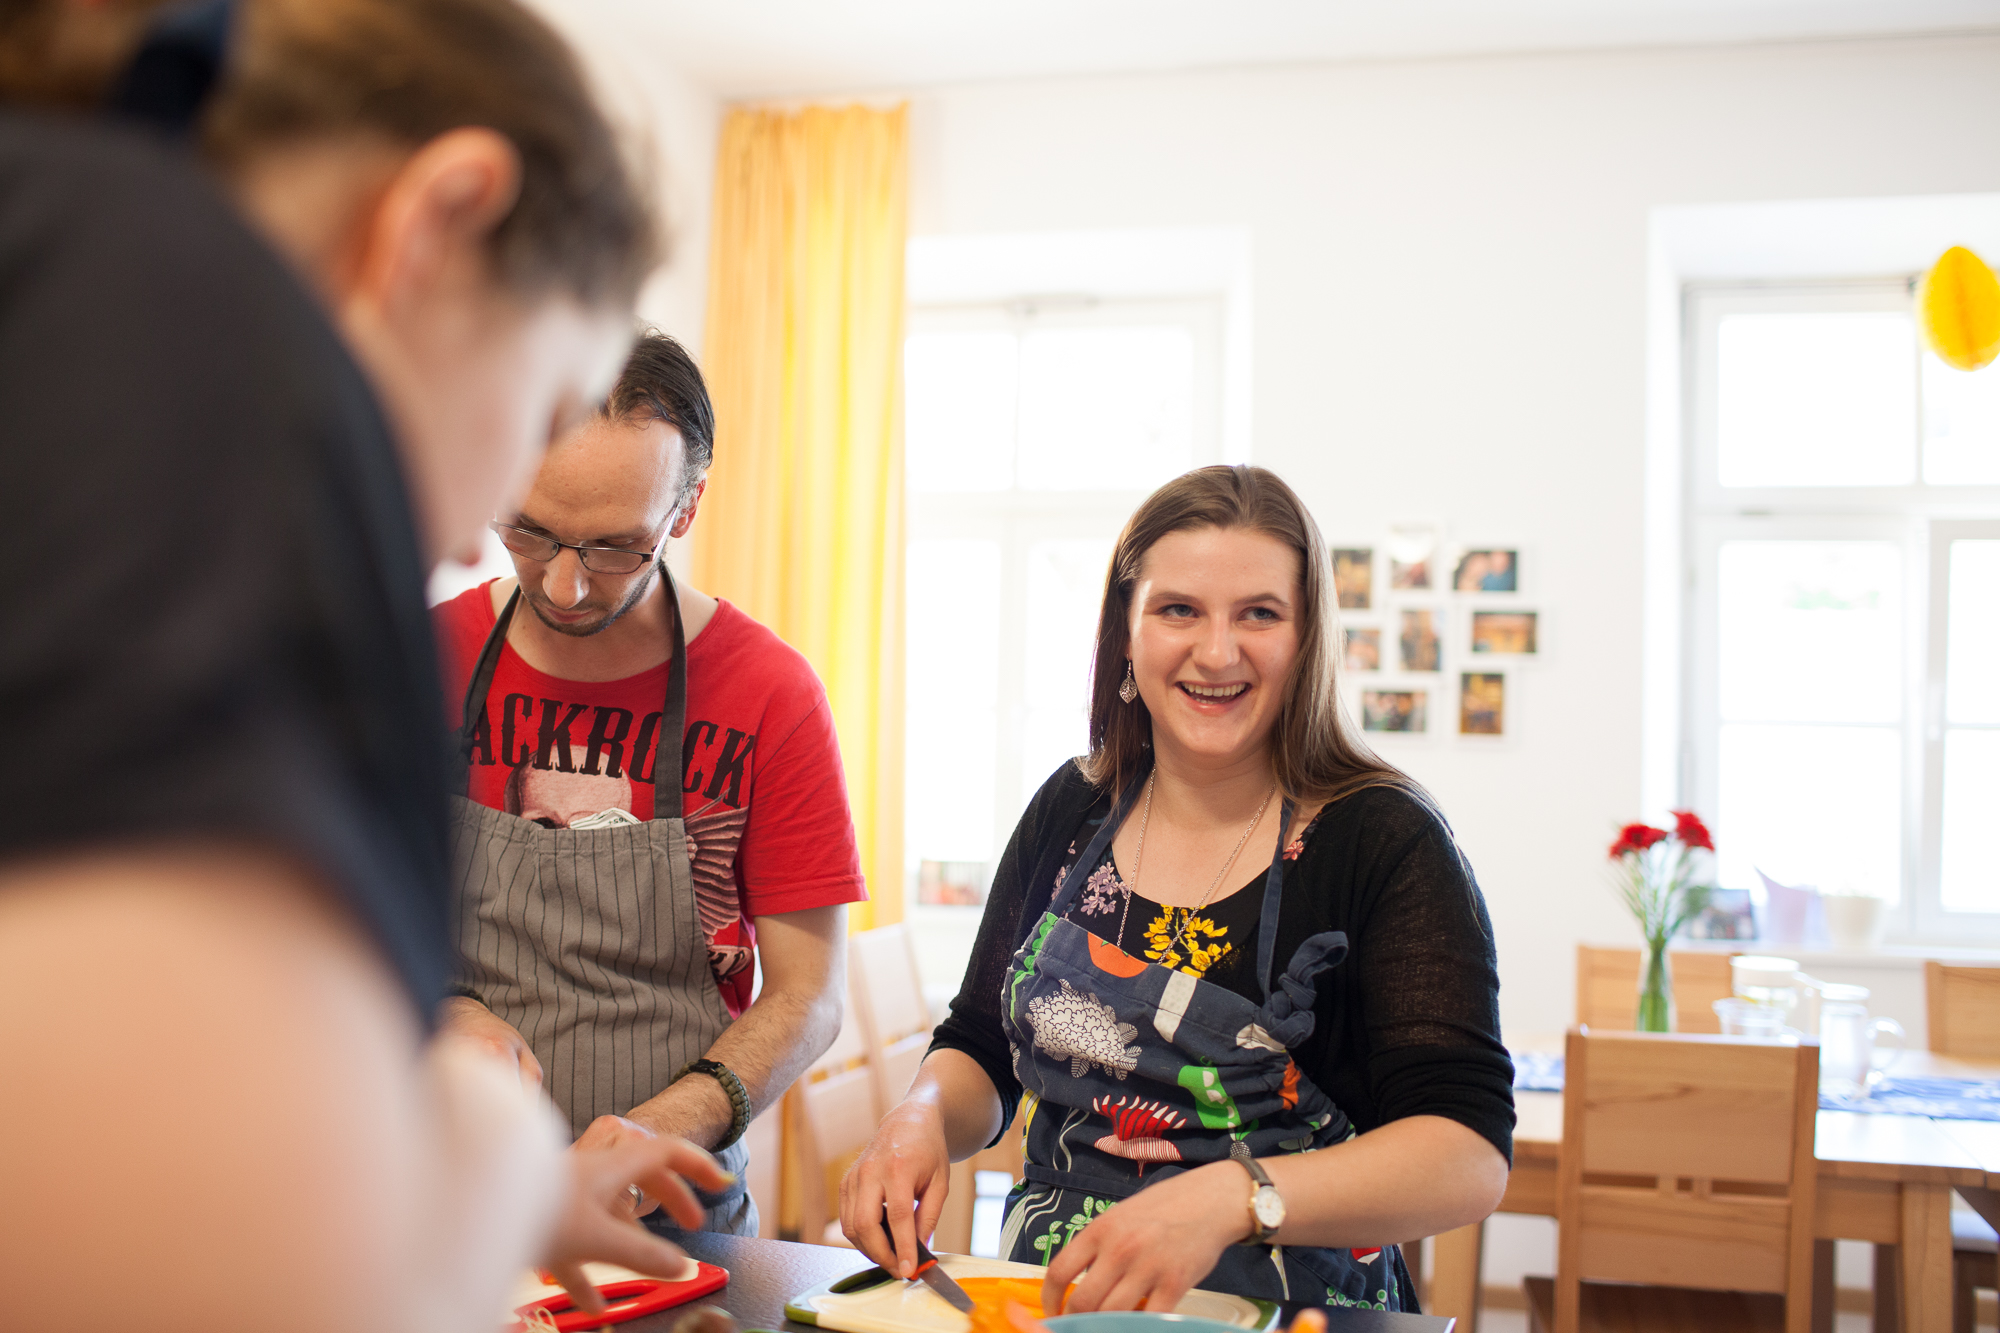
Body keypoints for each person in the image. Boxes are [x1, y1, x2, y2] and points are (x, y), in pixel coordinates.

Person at [0, 1, 731, 1328]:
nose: (476, 533)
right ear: (439, 221)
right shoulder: (172, 325)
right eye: (545, 408)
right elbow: (267, 1275)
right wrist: (495, 1149)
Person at [842, 466, 1514, 1312]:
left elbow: (1466, 1152)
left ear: (1307, 639)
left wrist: (1235, 1196)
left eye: (1259, 614)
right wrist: (923, 1114)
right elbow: (981, 1043)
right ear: (1127, 631)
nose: (1218, 651)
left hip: (1300, 1309)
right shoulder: (1072, 809)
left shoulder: (1383, 840)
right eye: (1178, 609)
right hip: (1056, 1299)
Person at [431, 331, 866, 1235]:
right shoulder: (422, 658)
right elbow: (340, 916)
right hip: (445, 1197)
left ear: (686, 508)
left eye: (613, 548)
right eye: (529, 529)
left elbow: (809, 993)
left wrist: (668, 1124)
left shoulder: (769, 695)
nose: (563, 584)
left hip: (673, 1214)